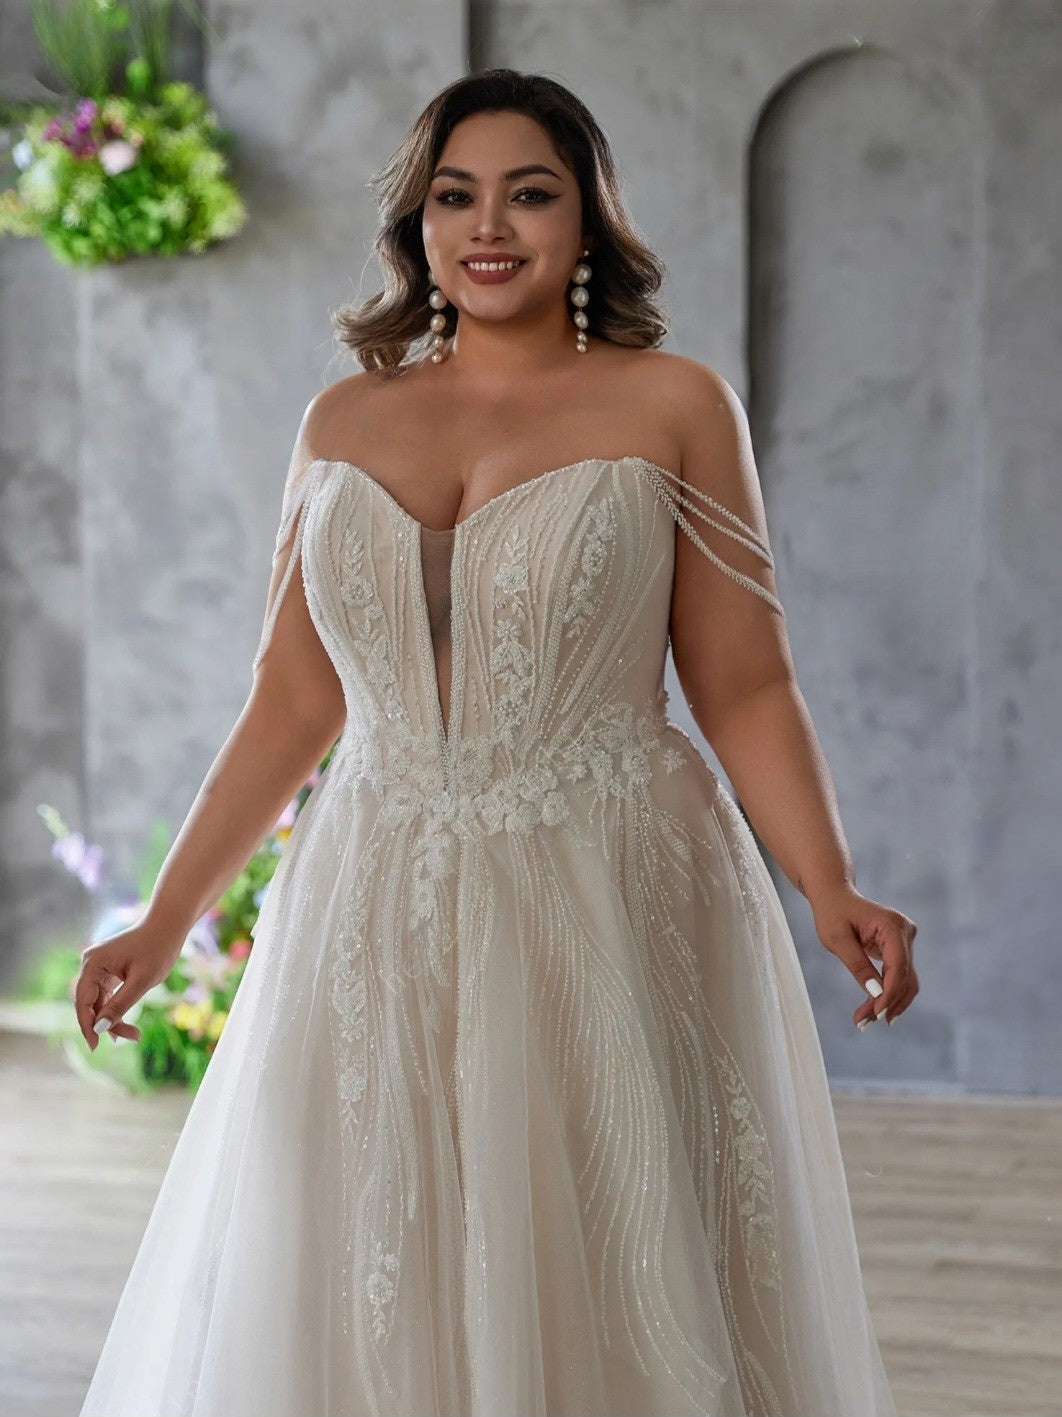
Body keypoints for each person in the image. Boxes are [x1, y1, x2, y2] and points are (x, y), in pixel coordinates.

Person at [74, 67, 916, 1417]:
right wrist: (165, 918)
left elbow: (746, 681)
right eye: (454, 196)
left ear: (588, 222)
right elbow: (293, 699)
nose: (490, 226)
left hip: (603, 878)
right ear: (414, 225)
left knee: (603, 1237)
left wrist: (829, 882)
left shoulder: (672, 403)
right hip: (372, 884)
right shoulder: (340, 420)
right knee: (358, 1233)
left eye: (531, 194)